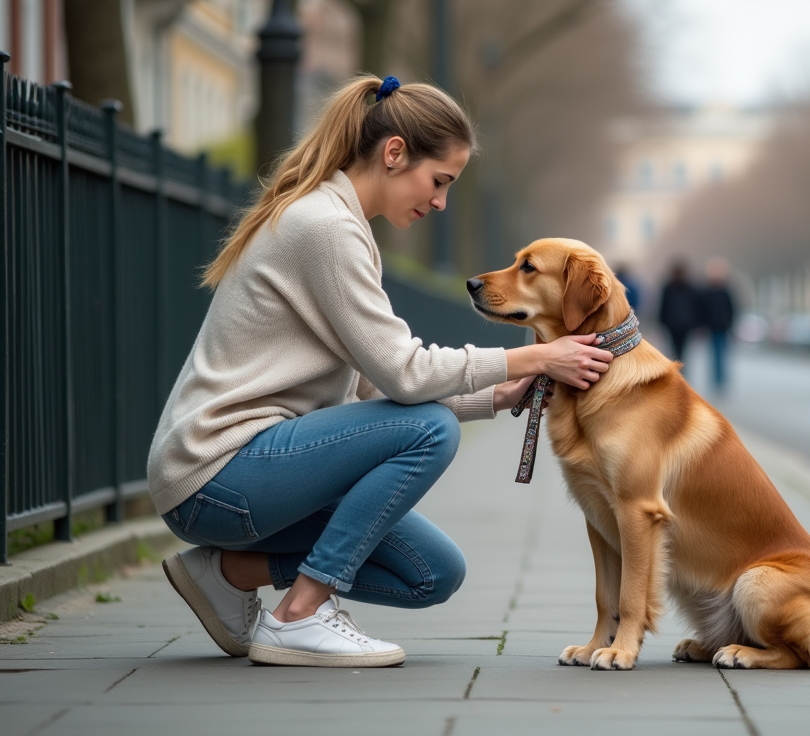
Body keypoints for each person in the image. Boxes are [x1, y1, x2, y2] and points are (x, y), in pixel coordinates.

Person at [148, 75, 614, 668]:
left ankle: (229, 573)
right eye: (439, 180)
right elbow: (405, 375)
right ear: (394, 154)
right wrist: (534, 356)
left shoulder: (343, 226)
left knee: (432, 573)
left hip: (252, 474)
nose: (441, 201)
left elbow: (372, 385)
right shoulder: (325, 227)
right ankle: (300, 615)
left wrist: (500, 395)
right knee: (431, 432)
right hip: (215, 471)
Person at [696, 257, 736, 395]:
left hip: (722, 327)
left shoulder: (725, 292)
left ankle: (720, 381)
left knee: (721, 355)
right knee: (714, 355)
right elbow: (701, 310)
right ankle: (716, 381)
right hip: (711, 327)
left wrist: (729, 323)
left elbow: (732, 309)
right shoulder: (706, 292)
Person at [658, 260, 697, 366]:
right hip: (684, 323)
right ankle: (680, 367)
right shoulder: (690, 288)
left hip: (673, 323)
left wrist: (662, 321)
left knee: (674, 348)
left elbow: (663, 306)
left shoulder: (669, 287)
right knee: (682, 349)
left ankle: (677, 367)